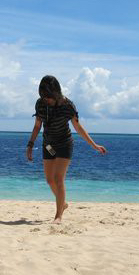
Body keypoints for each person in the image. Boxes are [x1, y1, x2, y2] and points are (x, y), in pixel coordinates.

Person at [26, 75, 107, 224]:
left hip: (64, 144)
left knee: (58, 178)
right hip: (48, 145)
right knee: (49, 180)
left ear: (56, 93)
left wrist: (94, 145)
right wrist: (30, 145)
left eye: (48, 97)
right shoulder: (40, 104)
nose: (46, 100)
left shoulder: (68, 105)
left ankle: (58, 216)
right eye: (43, 96)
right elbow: (37, 126)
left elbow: (78, 127)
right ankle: (62, 203)